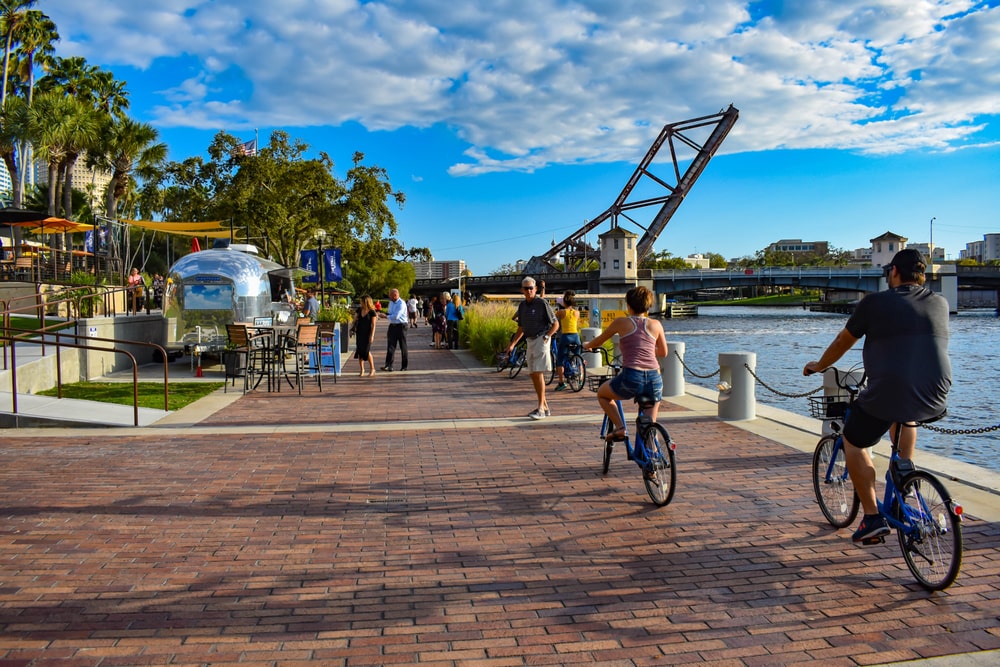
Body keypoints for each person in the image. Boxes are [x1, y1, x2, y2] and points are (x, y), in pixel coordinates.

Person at [804, 248, 951, 545]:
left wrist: (819, 366)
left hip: (889, 390)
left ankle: (871, 518)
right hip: (936, 391)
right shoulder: (940, 303)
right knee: (904, 415)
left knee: (855, 441)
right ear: (922, 275)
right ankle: (902, 482)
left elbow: (843, 341)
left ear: (894, 272)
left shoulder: (874, 303)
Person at [582, 286, 667, 440]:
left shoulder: (622, 322)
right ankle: (653, 455)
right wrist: (647, 349)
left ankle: (620, 428)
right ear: (648, 306)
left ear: (629, 305)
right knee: (649, 426)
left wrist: (587, 345)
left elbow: (599, 341)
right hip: (655, 377)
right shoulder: (656, 324)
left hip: (632, 376)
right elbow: (663, 352)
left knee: (602, 394)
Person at [505, 276, 559, 420]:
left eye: (531, 288)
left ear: (535, 289)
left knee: (538, 372)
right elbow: (521, 327)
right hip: (529, 340)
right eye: (526, 288)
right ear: (522, 290)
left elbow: (555, 324)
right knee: (533, 373)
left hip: (541, 338)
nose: (529, 291)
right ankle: (545, 407)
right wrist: (512, 344)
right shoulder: (522, 306)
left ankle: (541, 408)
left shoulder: (542, 303)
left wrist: (547, 336)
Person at [553, 290, 580, 391]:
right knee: (578, 357)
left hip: (566, 337)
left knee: (560, 360)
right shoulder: (577, 312)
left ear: (564, 302)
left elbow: (552, 320)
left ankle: (561, 382)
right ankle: (580, 379)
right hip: (576, 337)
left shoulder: (561, 312)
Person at [381, 288, 409, 371]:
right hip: (392, 325)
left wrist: (386, 316)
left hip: (401, 326)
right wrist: (385, 315)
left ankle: (404, 366)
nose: (389, 297)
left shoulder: (401, 303)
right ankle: (388, 365)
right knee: (390, 346)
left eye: (390, 295)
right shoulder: (391, 303)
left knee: (402, 346)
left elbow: (396, 316)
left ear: (395, 295)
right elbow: (390, 313)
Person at [353, 295, 378, 377]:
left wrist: (372, 335)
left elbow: (373, 325)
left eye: (362, 301)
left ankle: (372, 369)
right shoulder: (359, 310)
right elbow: (355, 320)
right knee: (359, 351)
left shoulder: (372, 312)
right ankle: (362, 369)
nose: (360, 302)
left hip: (367, 333)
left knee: (366, 351)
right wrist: (354, 321)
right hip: (359, 333)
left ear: (366, 301)